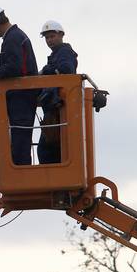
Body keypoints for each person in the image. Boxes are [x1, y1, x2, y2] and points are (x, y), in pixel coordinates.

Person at [0, 6, 39, 165]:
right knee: (20, 140)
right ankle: (22, 174)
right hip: (22, 96)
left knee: (20, 141)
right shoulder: (16, 36)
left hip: (22, 97)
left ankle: (22, 177)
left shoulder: (12, 38)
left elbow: (15, 67)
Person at [37, 20, 78, 164]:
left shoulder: (65, 52)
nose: (49, 40)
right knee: (50, 149)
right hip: (54, 108)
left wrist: (45, 71)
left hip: (58, 109)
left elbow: (66, 69)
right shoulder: (57, 54)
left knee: (46, 150)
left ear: (61, 35)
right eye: (47, 38)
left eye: (52, 36)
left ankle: (50, 184)